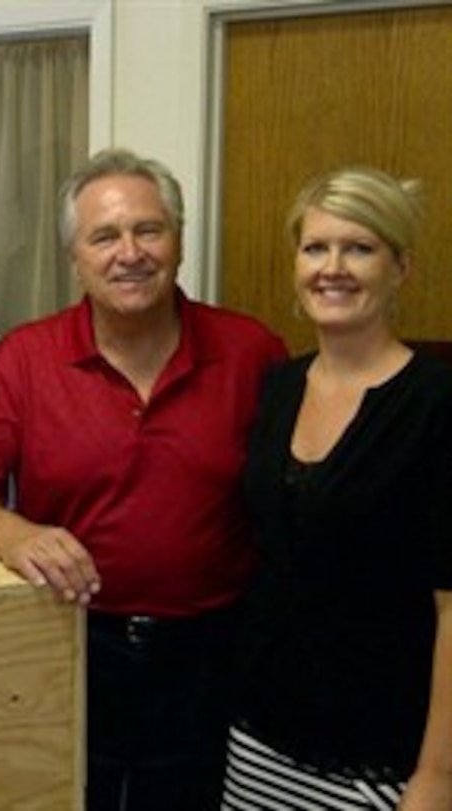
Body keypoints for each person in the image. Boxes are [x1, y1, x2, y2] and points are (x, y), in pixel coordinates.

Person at [0, 147, 287, 810]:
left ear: (178, 241)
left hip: (212, 654)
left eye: (148, 229)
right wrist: (11, 532)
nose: (130, 252)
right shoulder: (24, 360)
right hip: (68, 642)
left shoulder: (251, 351)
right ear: (75, 256)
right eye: (105, 236)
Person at [223, 167, 452, 809]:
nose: (334, 267)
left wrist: (438, 778)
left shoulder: (436, 406)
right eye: (316, 247)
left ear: (400, 268)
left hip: (380, 759)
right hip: (258, 740)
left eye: (360, 248)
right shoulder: (277, 388)